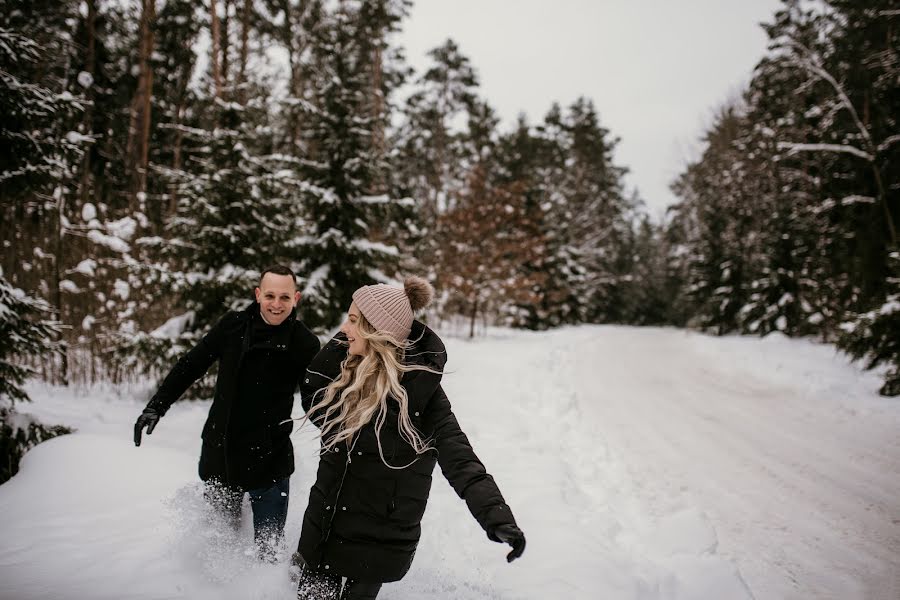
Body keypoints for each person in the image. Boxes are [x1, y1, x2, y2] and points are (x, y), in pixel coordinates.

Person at [293, 276, 525, 600]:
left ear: (378, 333)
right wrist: (346, 341)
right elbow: (312, 397)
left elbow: (461, 460)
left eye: (354, 320)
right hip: (325, 525)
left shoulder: (421, 394)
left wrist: (497, 516)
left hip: (378, 540)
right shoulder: (346, 373)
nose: (344, 328)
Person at [133, 265, 321, 559]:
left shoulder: (304, 342)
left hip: (270, 461)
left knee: (268, 554)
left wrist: (340, 429)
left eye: (284, 297)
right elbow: (191, 365)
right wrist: (157, 405)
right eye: (269, 295)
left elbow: (315, 400)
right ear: (258, 295)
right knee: (220, 551)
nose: (276, 304)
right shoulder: (232, 326)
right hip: (221, 454)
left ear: (296, 298)